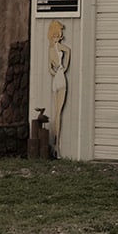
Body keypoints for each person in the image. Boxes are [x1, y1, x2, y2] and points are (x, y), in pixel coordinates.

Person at [47, 21, 70, 157]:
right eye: (57, 36)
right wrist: (64, 67)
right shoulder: (58, 47)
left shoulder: (50, 50)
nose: (58, 38)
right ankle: (57, 147)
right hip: (61, 79)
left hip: (55, 79)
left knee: (56, 112)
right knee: (58, 113)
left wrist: (54, 72)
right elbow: (68, 50)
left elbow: (49, 68)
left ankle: (55, 145)